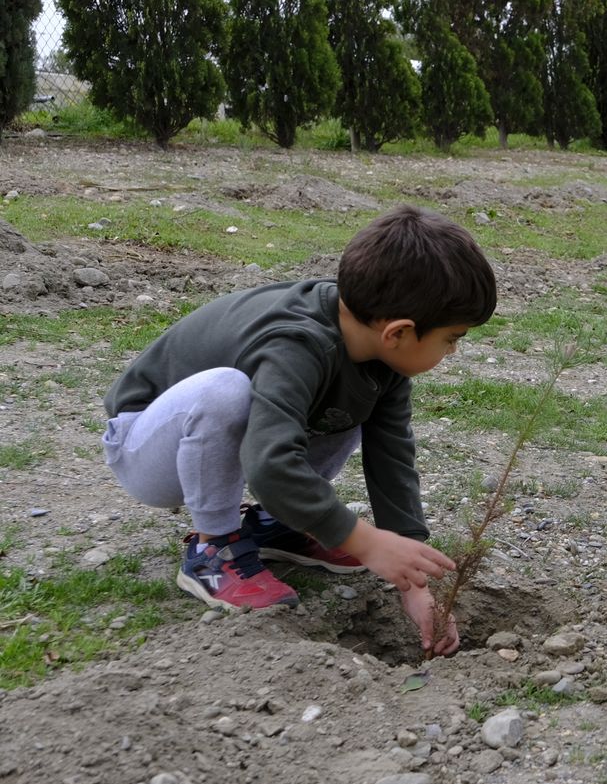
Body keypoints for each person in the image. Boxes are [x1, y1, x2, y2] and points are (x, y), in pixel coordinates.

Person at [101, 205, 497, 654]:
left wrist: (412, 578)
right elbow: (269, 466)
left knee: (347, 399)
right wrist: (362, 541)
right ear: (399, 332)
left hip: (227, 442)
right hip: (149, 448)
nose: (452, 351)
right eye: (452, 338)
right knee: (225, 390)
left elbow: (391, 457)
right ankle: (213, 549)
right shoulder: (297, 342)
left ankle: (279, 525)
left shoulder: (376, 351)